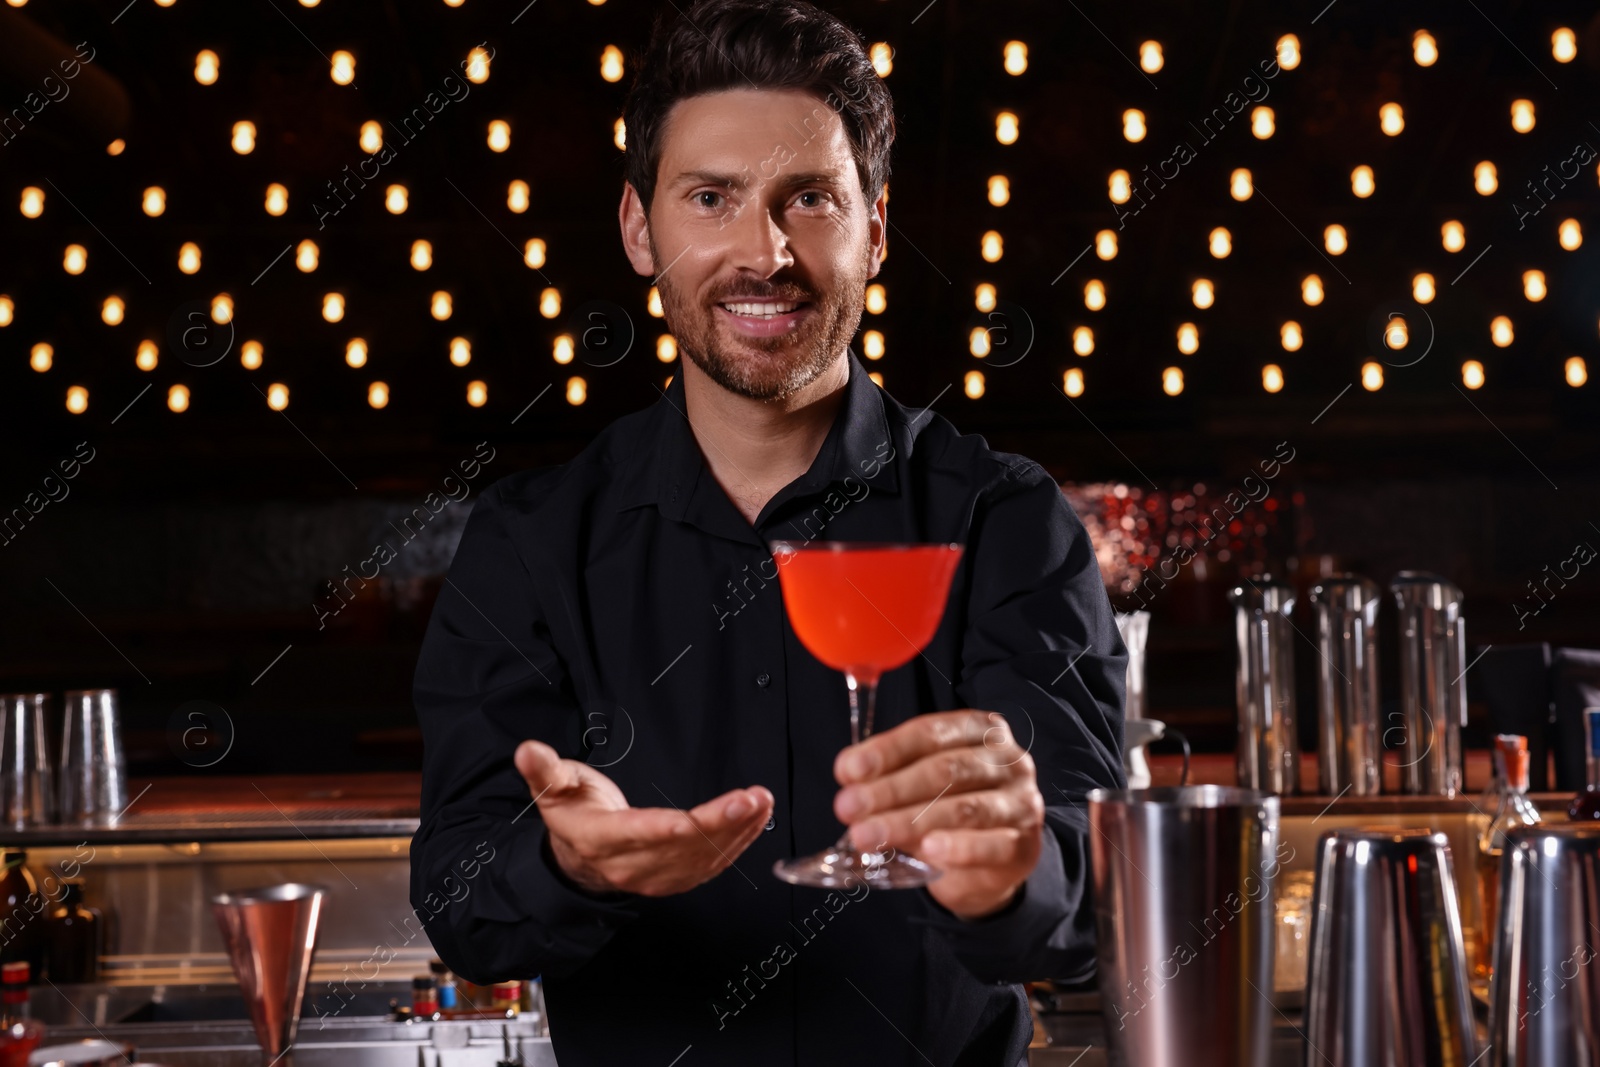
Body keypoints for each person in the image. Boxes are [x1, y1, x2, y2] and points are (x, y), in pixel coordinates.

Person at [410, 1, 1127, 1063]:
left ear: (873, 231)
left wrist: (1021, 869)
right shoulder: (528, 540)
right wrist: (571, 866)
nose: (766, 251)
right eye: (712, 198)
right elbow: (459, 899)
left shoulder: (1002, 517)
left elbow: (1094, 904)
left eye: (810, 200)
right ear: (639, 230)